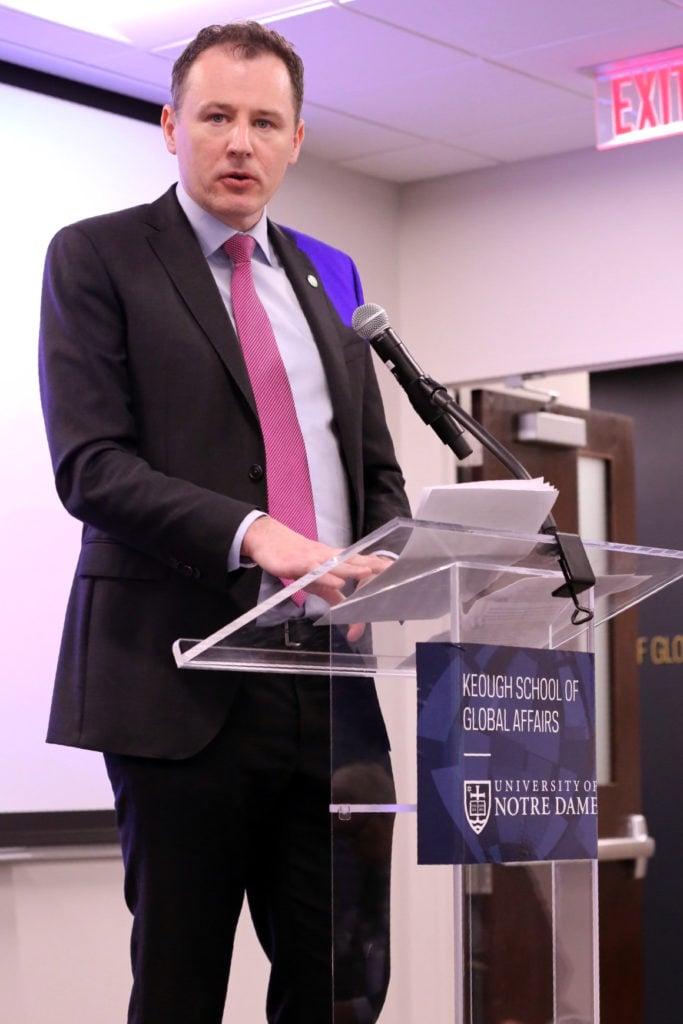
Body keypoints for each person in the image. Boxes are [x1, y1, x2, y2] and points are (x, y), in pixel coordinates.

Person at [38, 19, 410, 1024]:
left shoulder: (330, 275)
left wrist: (398, 554)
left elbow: (371, 470)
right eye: (215, 117)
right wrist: (253, 529)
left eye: (263, 121)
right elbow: (91, 464)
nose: (238, 141)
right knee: (180, 986)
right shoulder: (97, 257)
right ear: (170, 126)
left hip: (329, 683)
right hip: (180, 677)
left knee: (345, 986)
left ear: (295, 140)